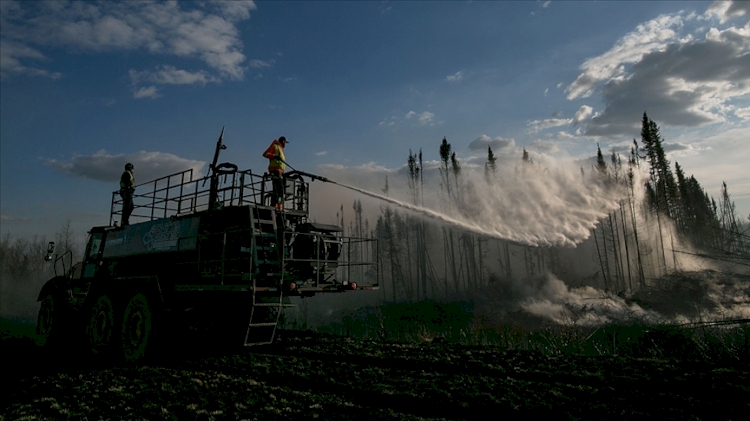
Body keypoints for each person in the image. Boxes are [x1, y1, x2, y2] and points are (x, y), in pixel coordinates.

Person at [262, 136, 289, 209]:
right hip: (275, 170)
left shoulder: (280, 148)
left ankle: (277, 203)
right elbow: (265, 154)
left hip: (280, 171)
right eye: (285, 143)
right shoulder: (275, 146)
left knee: (279, 188)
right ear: (283, 141)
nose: (285, 144)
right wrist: (274, 156)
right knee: (278, 188)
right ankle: (274, 204)